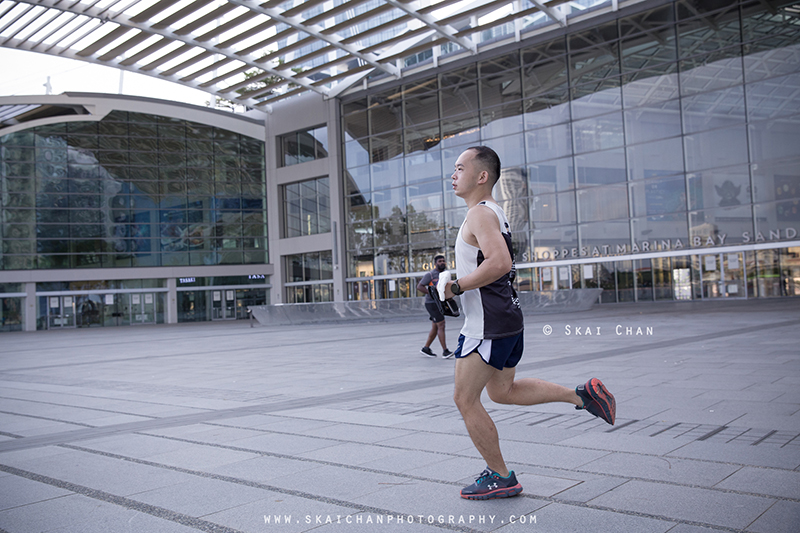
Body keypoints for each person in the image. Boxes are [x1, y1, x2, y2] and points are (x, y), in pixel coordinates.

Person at [441, 146, 616, 500]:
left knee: (464, 398)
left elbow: (500, 262)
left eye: (460, 168)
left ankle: (500, 476)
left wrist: (456, 286)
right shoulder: (492, 212)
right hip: (504, 319)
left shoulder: (479, 214)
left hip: (488, 325)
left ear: (482, 176)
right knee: (502, 392)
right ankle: (581, 395)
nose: (453, 175)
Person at [416, 254, 454, 359]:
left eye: (443, 261)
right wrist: (432, 294)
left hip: (439, 302)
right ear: (435, 263)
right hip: (431, 303)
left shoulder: (445, 275)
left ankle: (426, 348)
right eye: (440, 261)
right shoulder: (431, 275)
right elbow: (419, 286)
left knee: (435, 326)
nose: (442, 263)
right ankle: (445, 351)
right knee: (441, 324)